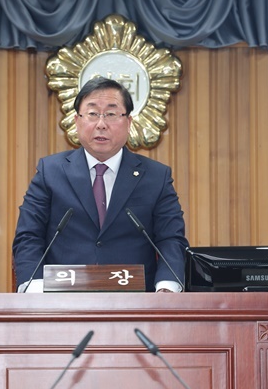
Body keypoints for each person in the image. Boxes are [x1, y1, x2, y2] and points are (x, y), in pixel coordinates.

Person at [12, 77, 188, 292]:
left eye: (111, 114)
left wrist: (167, 288)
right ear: (77, 121)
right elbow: (29, 236)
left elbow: (171, 239)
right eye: (92, 113)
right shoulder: (50, 172)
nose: (101, 124)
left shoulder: (156, 177)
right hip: (61, 298)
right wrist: (35, 288)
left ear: (128, 122)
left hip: (135, 299)